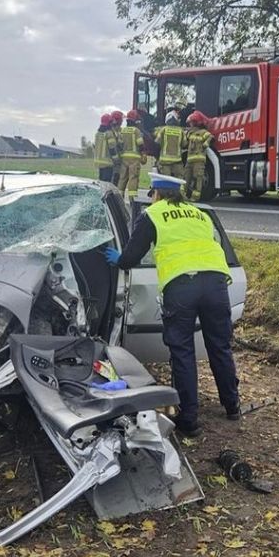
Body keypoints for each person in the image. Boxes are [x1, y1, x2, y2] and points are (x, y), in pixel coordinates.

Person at [103, 173, 240, 437]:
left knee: (183, 352)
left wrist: (118, 259)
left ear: (156, 193)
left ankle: (189, 420)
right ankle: (232, 405)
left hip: (182, 287)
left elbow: (131, 257)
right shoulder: (200, 214)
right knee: (219, 345)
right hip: (216, 284)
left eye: (151, 194)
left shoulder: (152, 214)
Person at [115, 109, 145, 198]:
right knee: (133, 178)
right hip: (134, 159)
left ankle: (119, 198)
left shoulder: (122, 130)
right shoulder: (136, 131)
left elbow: (119, 145)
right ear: (135, 120)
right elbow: (140, 144)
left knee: (122, 178)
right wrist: (143, 153)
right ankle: (133, 200)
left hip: (124, 158)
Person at [184, 111, 213, 199]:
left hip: (199, 160)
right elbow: (185, 143)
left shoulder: (204, 132)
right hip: (189, 160)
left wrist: (206, 143)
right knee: (186, 177)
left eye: (191, 123)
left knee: (198, 178)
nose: (190, 125)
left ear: (196, 122)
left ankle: (195, 197)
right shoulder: (189, 133)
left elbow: (211, 137)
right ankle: (183, 195)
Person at [153, 112, 185, 179]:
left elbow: (157, 142)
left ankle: (166, 189)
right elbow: (184, 144)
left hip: (164, 161)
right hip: (177, 161)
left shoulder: (163, 130)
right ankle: (179, 190)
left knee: (166, 180)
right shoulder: (181, 131)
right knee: (179, 179)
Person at [93, 113, 117, 183]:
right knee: (106, 184)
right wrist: (117, 160)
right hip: (107, 164)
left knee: (101, 183)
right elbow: (112, 149)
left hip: (98, 163)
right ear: (109, 123)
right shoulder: (109, 133)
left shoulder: (97, 134)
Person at [109, 110, 125, 185]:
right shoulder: (113, 131)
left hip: (115, 159)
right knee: (115, 178)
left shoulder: (115, 130)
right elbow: (120, 144)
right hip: (115, 160)